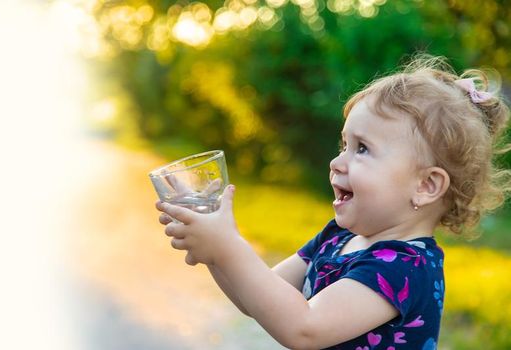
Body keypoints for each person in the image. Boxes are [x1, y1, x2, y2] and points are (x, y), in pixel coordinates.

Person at [154, 55, 511, 349]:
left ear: (426, 185)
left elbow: (304, 328)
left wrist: (228, 247)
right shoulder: (337, 237)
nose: (337, 162)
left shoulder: (404, 266)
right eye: (344, 145)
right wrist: (215, 248)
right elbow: (258, 297)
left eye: (362, 149)